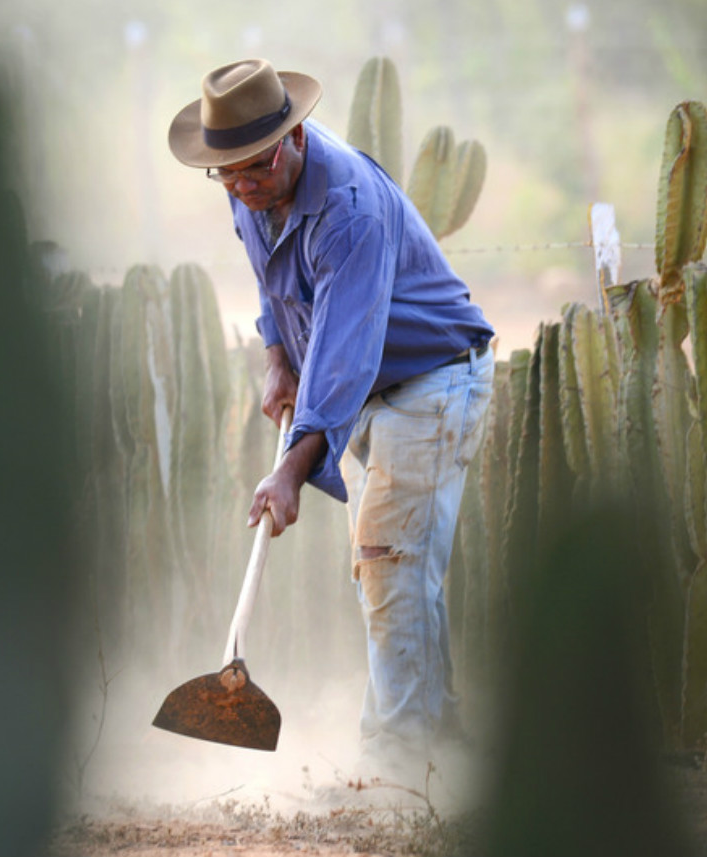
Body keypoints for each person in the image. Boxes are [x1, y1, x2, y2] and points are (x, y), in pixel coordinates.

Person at [168, 58, 495, 785]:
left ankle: (393, 771)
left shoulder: (348, 207)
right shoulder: (245, 183)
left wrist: (289, 471)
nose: (241, 186)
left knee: (388, 565)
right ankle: (440, 746)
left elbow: (346, 351)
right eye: (228, 175)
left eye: (253, 169)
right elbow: (269, 277)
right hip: (365, 391)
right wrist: (277, 353)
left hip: (431, 380)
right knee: (393, 573)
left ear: (293, 140)